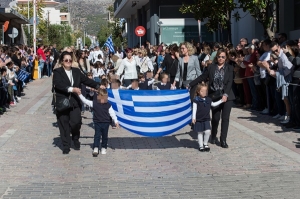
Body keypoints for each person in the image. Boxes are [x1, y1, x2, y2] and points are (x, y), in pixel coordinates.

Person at [53, 51, 100, 154]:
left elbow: (87, 80)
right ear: (62, 61)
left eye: (70, 60)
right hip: (63, 102)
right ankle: (66, 145)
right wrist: (71, 89)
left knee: (76, 122)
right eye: (66, 60)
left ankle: (75, 137)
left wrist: (98, 86)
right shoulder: (57, 72)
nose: (68, 62)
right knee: (63, 124)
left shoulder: (76, 71)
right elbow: (58, 84)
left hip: (75, 102)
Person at [189, 48, 235, 148]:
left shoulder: (229, 68)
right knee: (215, 118)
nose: (221, 59)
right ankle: (213, 135)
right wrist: (191, 84)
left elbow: (230, 82)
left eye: (223, 57)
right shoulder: (211, 67)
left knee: (225, 118)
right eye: (219, 56)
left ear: (226, 57)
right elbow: (202, 77)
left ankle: (223, 140)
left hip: (227, 96)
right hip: (214, 95)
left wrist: (226, 94)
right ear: (216, 57)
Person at [78, 88, 119, 157]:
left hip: (106, 123)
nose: (103, 100)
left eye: (105, 98)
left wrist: (116, 121)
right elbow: (85, 101)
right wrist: (80, 95)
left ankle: (104, 147)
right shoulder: (94, 103)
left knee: (104, 136)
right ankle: (96, 147)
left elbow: (112, 113)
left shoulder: (108, 105)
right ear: (98, 97)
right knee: (97, 136)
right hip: (97, 122)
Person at [192, 83, 223, 152]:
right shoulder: (196, 100)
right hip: (199, 119)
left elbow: (214, 104)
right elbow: (194, 109)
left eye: (205, 91)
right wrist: (193, 118)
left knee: (208, 131)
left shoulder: (208, 99)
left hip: (206, 118)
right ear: (198, 91)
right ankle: (201, 145)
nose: (204, 92)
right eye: (202, 91)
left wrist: (221, 101)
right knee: (200, 132)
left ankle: (205, 143)